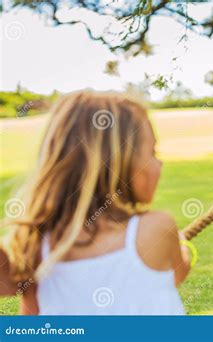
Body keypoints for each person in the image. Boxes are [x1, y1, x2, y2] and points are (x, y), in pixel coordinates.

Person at [0, 91, 191, 315]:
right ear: (122, 162)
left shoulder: (35, 248)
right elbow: (178, 273)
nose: (160, 162)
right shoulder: (156, 228)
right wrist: (182, 247)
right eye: (153, 151)